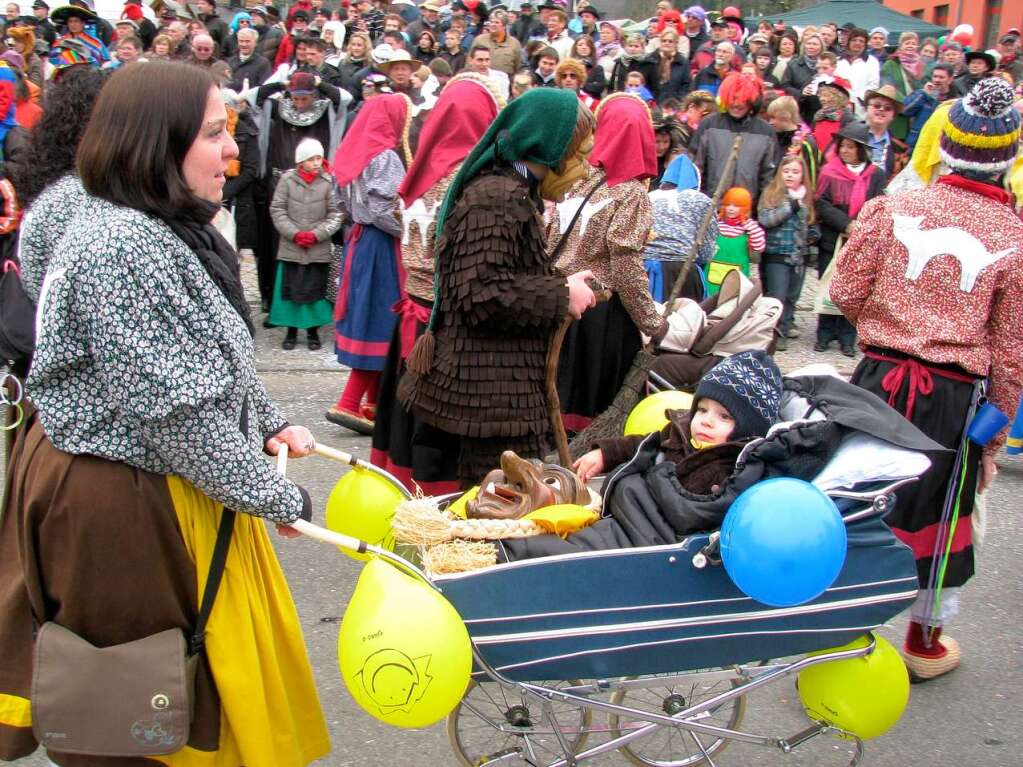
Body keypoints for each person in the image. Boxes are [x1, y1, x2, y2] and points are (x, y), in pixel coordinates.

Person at [0, 61, 330, 766]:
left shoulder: (128, 217)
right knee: (139, 702)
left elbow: (198, 353)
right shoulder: (122, 241)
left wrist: (264, 416)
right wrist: (276, 496)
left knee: (157, 693)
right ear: (158, 143)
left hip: (145, 475)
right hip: (123, 496)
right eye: (213, 134)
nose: (232, 152)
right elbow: (175, 414)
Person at [830, 78, 1023, 682]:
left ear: (943, 146)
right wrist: (992, 444)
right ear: (1012, 158)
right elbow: (1011, 356)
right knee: (939, 510)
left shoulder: (892, 208)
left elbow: (841, 292)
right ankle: (922, 640)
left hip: (876, 380)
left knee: (859, 498)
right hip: (953, 397)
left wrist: (889, 329)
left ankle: (835, 630)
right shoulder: (1015, 238)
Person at [398, 88, 597, 488]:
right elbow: (480, 293)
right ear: (548, 146)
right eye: (577, 154)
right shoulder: (497, 197)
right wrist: (562, 295)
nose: (583, 166)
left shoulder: (514, 192)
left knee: (504, 505)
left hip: (503, 394)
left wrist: (561, 283)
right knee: (493, 508)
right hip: (488, 400)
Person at [372, 73, 503, 494]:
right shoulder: (472, 184)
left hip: (412, 312)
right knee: (438, 421)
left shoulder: (418, 175)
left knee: (408, 410)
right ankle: (438, 498)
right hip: (448, 323)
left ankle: (402, 488)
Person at [550, 93, 667, 432]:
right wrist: (653, 322)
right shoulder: (631, 194)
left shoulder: (572, 181)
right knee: (591, 411)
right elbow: (626, 267)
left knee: (557, 392)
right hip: (601, 318)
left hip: (560, 301)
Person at [327, 93, 411, 434]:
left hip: (358, 242)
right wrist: (408, 230)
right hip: (380, 245)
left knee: (370, 314)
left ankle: (375, 403)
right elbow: (383, 210)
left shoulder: (350, 150)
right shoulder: (385, 157)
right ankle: (349, 402)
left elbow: (339, 201)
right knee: (382, 318)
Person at [813, 120, 885, 355]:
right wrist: (844, 223)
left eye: (850, 147)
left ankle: (847, 337)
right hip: (833, 237)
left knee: (854, 290)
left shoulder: (876, 175)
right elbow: (820, 201)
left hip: (861, 240)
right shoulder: (829, 171)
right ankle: (824, 334)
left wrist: (860, 226)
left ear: (861, 149)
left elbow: (878, 205)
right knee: (830, 284)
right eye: (842, 146)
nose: (844, 150)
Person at [269, 138, 341, 351]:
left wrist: (317, 235)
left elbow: (336, 213)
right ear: (301, 161)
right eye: (311, 159)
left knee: (314, 292)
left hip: (317, 249)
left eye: (319, 157)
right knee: (290, 290)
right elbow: (278, 209)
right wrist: (295, 233)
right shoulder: (287, 180)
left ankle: (313, 331)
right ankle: (291, 331)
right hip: (292, 247)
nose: (317, 163)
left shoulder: (328, 182)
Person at [757, 154, 815, 350]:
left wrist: (812, 234)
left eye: (795, 172)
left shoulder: (805, 195)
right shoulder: (771, 194)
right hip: (776, 254)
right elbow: (766, 220)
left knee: (792, 296)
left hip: (798, 256)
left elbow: (809, 221)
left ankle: (786, 325)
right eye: (786, 171)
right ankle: (773, 332)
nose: (790, 175)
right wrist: (790, 206)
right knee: (777, 295)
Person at [693, 73, 776, 207]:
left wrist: (760, 208)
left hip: (747, 212)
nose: (736, 104)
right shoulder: (709, 124)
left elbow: (768, 176)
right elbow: (696, 166)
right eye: (733, 98)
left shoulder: (766, 132)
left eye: (742, 99)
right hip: (711, 208)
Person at [709, 186, 764, 294]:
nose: (731, 208)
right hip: (712, 275)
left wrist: (752, 230)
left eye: (736, 206)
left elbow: (759, 248)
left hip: (738, 276)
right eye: (727, 204)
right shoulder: (716, 224)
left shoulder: (750, 227)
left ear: (745, 207)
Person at [880, 31, 925, 141]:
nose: (910, 46)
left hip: (915, 118)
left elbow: (922, 88)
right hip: (896, 117)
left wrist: (916, 104)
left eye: (913, 43)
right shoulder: (890, 64)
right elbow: (888, 87)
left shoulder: (921, 66)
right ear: (901, 45)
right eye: (907, 43)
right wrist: (907, 104)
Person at [902, 64, 955, 149]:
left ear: (950, 79)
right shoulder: (922, 94)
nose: (937, 80)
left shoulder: (954, 101)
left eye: (941, 77)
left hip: (938, 146)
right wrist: (923, 94)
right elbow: (905, 110)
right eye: (935, 76)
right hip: (916, 144)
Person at [863, 84, 907, 178]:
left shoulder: (900, 149)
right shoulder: (849, 135)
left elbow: (899, 182)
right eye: (877, 105)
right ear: (867, 108)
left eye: (888, 108)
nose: (881, 109)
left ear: (893, 116)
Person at [835, 27, 879, 117]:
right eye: (854, 40)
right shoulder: (838, 61)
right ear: (849, 42)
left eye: (861, 41)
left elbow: (873, 85)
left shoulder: (872, 61)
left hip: (861, 109)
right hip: (838, 107)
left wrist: (857, 98)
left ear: (865, 44)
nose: (857, 43)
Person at [781, 32, 822, 125]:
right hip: (799, 110)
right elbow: (785, 85)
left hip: (819, 111)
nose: (811, 46)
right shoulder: (793, 64)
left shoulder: (825, 65)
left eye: (815, 44)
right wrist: (801, 93)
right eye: (808, 43)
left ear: (821, 47)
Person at [473, 9, 522, 77]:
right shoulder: (479, 40)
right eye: (491, 22)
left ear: (504, 26)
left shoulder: (514, 44)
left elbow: (518, 68)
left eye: (497, 22)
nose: (493, 24)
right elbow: (469, 63)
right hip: (481, 80)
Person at [648, 27, 690, 104]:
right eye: (664, 41)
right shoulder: (650, 60)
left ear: (676, 43)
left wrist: (678, 101)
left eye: (670, 41)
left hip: (674, 106)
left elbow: (686, 85)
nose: (667, 43)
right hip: (653, 104)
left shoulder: (683, 62)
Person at [812, 75, 853, 152]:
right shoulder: (818, 116)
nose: (822, 99)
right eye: (820, 95)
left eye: (826, 96)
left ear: (838, 97)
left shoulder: (846, 117)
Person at [569, 34, 607, 99]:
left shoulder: (598, 68)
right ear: (575, 48)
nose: (584, 47)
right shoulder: (568, 67)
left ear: (591, 48)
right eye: (580, 45)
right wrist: (590, 84)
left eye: (587, 45)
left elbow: (599, 87)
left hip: (591, 103)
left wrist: (581, 85)